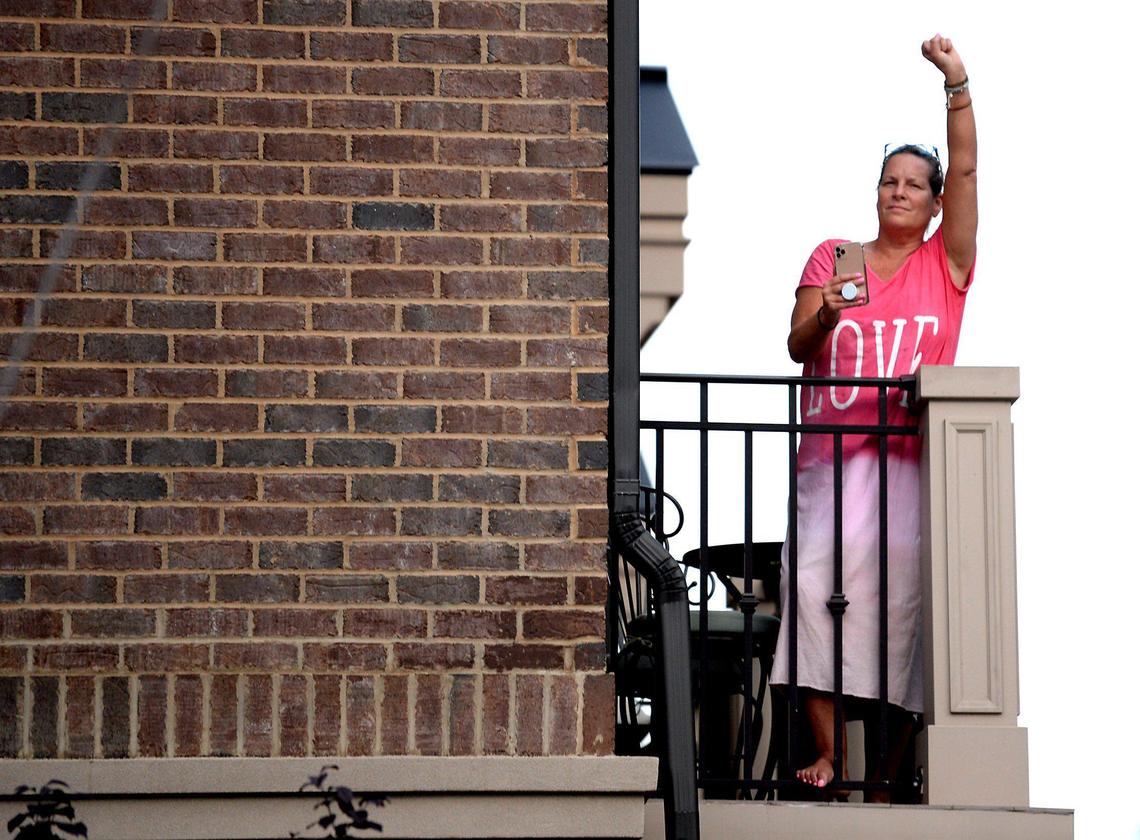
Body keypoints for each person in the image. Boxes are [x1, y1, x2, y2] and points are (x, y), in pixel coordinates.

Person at [770, 34, 977, 802]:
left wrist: (956, 83)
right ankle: (830, 758)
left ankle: (887, 775)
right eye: (888, 181)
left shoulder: (944, 265)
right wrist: (823, 313)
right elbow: (797, 347)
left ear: (935, 203)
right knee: (812, 593)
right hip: (827, 465)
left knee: (901, 616)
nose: (897, 192)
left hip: (910, 467)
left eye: (913, 185)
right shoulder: (833, 257)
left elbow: (969, 170)